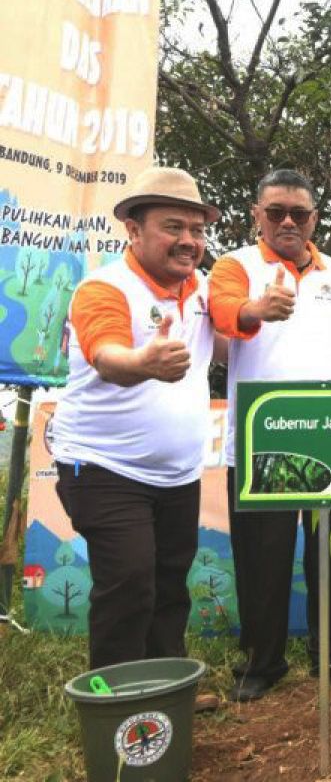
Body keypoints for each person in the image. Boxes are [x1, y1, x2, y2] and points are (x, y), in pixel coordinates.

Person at [210, 169, 331, 702]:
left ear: (314, 220)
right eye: (276, 211)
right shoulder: (235, 265)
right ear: (257, 215)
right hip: (265, 439)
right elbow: (223, 312)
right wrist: (255, 311)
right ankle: (263, 664)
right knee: (263, 559)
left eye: (298, 214)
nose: (287, 221)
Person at [51, 167, 221, 671]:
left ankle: (165, 693)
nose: (188, 241)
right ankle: (115, 710)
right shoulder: (104, 288)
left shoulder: (204, 291)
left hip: (177, 475)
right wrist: (145, 363)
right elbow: (106, 355)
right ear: (133, 228)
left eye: (196, 230)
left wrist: (262, 315)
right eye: (173, 227)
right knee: (129, 583)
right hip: (104, 468)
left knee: (170, 584)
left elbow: (235, 346)